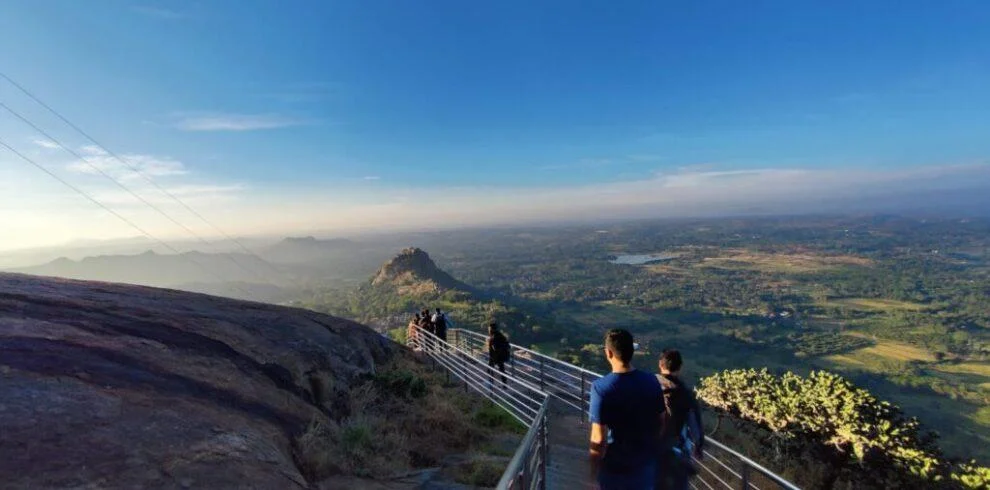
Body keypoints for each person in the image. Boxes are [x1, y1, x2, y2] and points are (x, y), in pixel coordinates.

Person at [589, 329, 665, 490]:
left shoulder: (601, 388)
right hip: (645, 466)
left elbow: (598, 438)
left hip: (614, 469)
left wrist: (592, 476)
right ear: (632, 351)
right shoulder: (652, 381)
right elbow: (661, 422)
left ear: (608, 353)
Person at [655, 349, 705, 490]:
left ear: (660, 364)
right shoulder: (685, 393)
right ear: (680, 367)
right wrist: (698, 447)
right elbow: (695, 425)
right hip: (676, 451)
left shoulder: (648, 385)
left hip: (649, 450)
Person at [485, 322, 510, 387]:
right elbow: (507, 344)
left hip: (495, 356)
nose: (488, 330)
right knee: (501, 370)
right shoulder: (500, 334)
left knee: (490, 370)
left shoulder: (493, 336)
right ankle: (504, 385)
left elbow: (495, 347)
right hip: (500, 356)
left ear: (491, 329)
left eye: (489, 328)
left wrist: (492, 345)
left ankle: (490, 385)